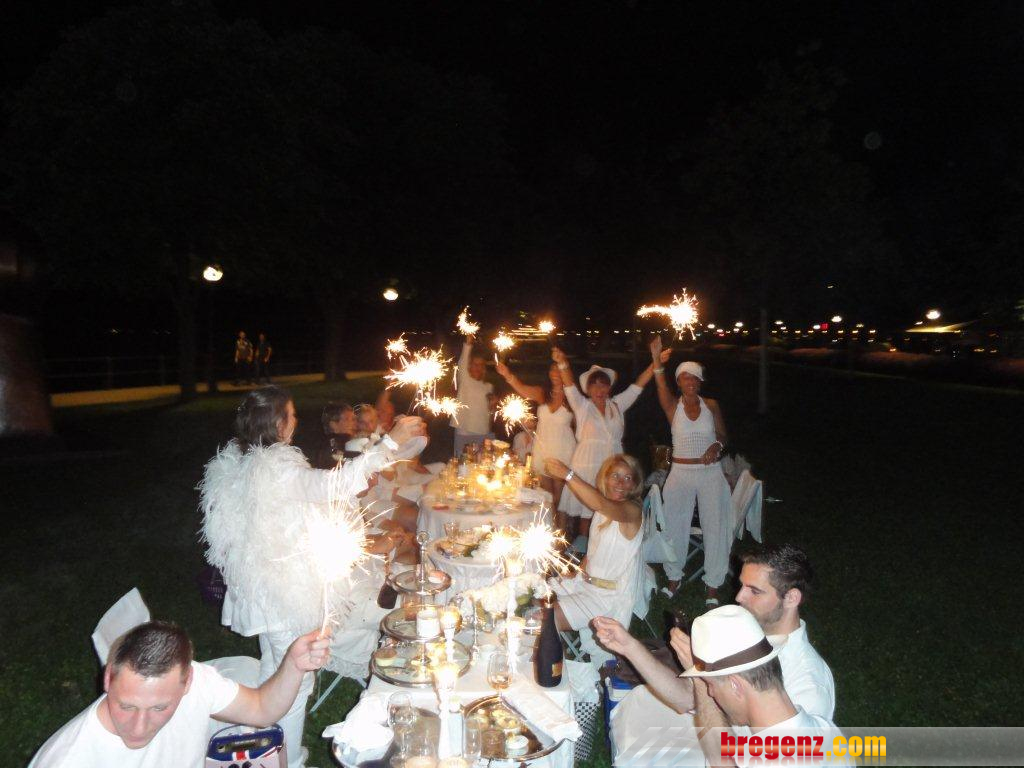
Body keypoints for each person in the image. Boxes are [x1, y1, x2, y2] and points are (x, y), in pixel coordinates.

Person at [199, 386, 427, 768]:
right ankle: (287, 759)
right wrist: (390, 442)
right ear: (279, 424)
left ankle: (265, 744)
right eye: (291, 414)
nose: (296, 420)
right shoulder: (277, 468)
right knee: (297, 679)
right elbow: (335, 485)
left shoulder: (240, 464)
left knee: (275, 670)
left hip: (263, 590)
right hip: (286, 594)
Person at [596, 543, 835, 761]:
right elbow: (689, 698)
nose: (739, 597)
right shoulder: (748, 633)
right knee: (639, 705)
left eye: (754, 591)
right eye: (741, 585)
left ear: (791, 598)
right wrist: (629, 647)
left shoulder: (809, 686)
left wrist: (702, 675)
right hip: (717, 733)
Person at [28, 620, 330, 768]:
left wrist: (293, 666)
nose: (139, 727)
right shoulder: (67, 760)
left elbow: (262, 709)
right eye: (127, 706)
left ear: (187, 684)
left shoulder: (199, 683)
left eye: (159, 708)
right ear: (107, 679)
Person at [680, 605, 846, 767]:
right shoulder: (824, 729)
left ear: (735, 685)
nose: (710, 692)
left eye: (710, 685)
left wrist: (699, 683)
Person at [551, 342, 670, 543]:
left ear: (609, 387)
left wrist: (655, 361)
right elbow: (569, 386)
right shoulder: (582, 406)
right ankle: (582, 548)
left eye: (603, 384)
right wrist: (563, 363)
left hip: (612, 466)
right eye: (595, 384)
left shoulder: (617, 405)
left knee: (609, 509)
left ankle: (606, 545)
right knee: (587, 512)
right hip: (587, 463)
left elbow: (638, 386)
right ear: (588, 388)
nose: (600, 389)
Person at [650, 336, 731, 604]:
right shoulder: (672, 406)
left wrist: (717, 445)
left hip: (710, 473)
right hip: (680, 473)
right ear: (679, 382)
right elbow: (659, 383)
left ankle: (713, 584)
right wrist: (656, 359)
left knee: (715, 525)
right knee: (674, 525)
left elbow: (723, 435)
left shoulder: (711, 405)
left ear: (700, 381)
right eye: (686, 377)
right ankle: (674, 578)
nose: (691, 381)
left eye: (695, 377)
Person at [544, 454, 645, 631]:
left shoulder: (632, 511)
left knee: (544, 619)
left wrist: (568, 474)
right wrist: (576, 574)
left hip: (606, 598)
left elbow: (600, 504)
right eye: (615, 475)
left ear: (634, 485)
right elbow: (593, 551)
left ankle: (550, 646)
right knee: (535, 591)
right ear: (605, 478)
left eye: (627, 478)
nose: (620, 483)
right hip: (585, 583)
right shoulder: (602, 511)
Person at [495, 360, 576, 521]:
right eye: (552, 370)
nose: (555, 373)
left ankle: (562, 528)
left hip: (564, 451)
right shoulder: (542, 393)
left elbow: (578, 425)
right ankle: (548, 526)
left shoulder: (573, 397)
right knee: (546, 496)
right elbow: (521, 388)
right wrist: (507, 374)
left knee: (560, 498)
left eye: (558, 370)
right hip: (543, 451)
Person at [452, 335, 496, 456]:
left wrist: (493, 405)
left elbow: (490, 411)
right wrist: (468, 343)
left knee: (482, 460)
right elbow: (463, 361)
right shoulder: (465, 379)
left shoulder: (488, 386)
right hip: (465, 429)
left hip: (483, 429)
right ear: (470, 366)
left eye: (481, 365)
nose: (478, 367)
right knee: (463, 459)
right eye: (475, 364)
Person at [313, 401, 357, 469]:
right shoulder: (336, 444)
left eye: (353, 419)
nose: (353, 423)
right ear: (334, 425)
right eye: (347, 419)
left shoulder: (325, 443)